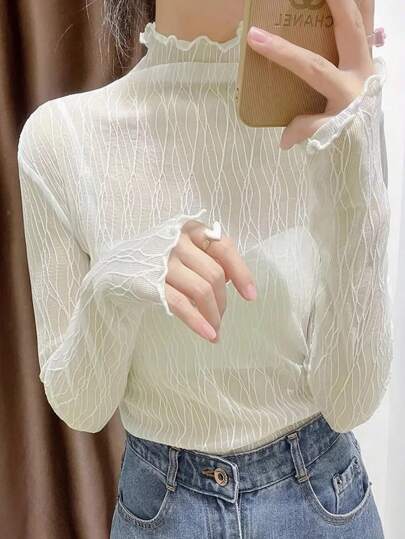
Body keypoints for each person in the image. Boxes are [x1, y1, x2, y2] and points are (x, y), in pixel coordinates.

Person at [17, 0, 393, 537]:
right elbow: (82, 406)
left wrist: (357, 174)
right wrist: (115, 281)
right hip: (163, 510)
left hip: (323, 504)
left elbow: (351, 398)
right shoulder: (62, 138)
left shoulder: (336, 116)